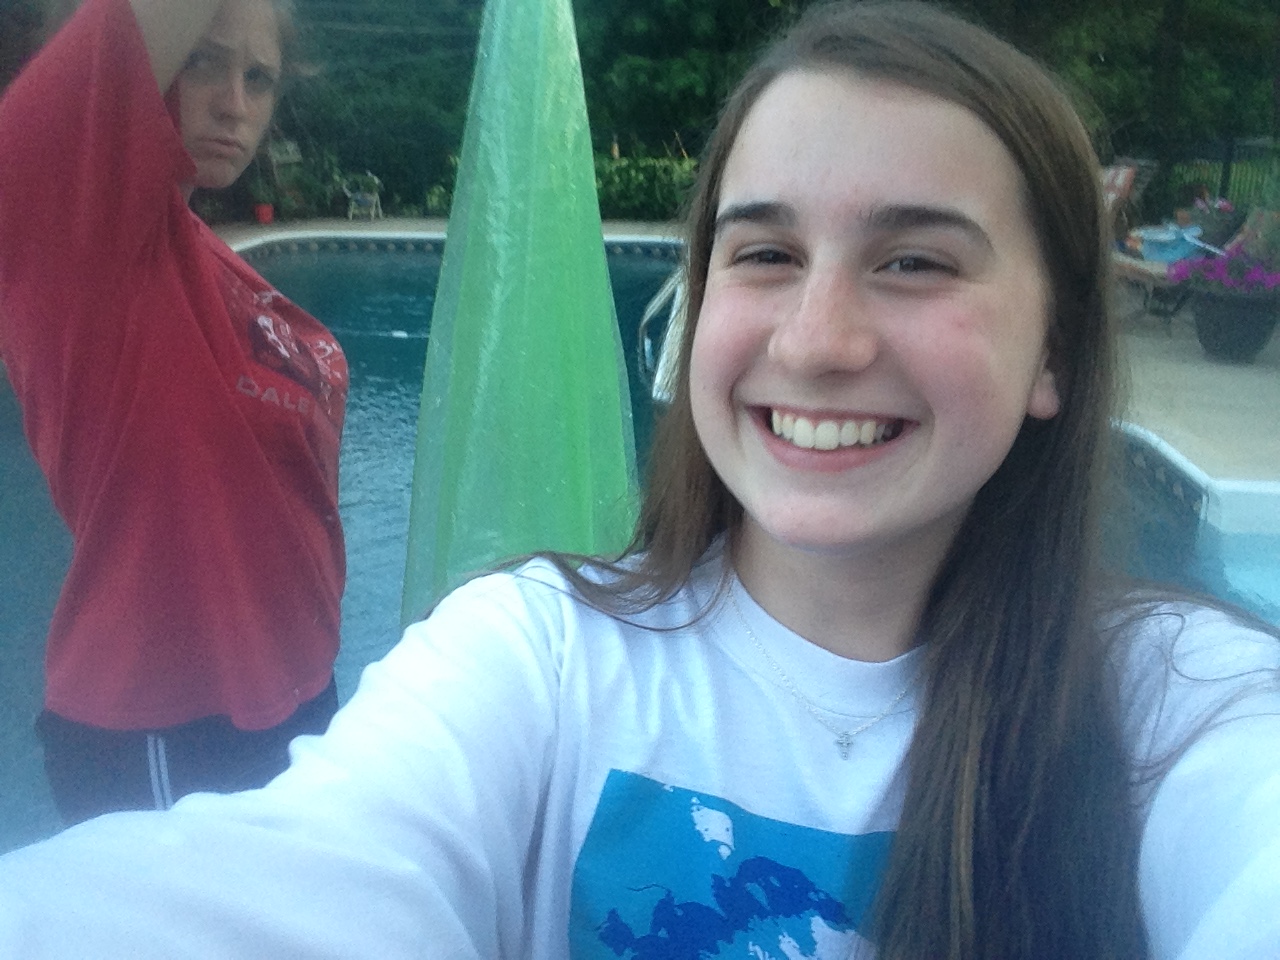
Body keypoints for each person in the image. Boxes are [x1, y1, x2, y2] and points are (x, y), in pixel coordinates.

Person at [1, 2, 1278, 957]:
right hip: (154, 699)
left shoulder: (1180, 710)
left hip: (272, 678)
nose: (816, 341)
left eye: (914, 262)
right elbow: (288, 881)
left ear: (1055, 348)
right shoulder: (533, 666)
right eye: (763, 252)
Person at [0, 0, 347, 826]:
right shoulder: (77, 232)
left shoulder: (215, 267)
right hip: (168, 723)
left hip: (301, 692)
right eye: (203, 62)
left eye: (259, 78)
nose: (235, 103)